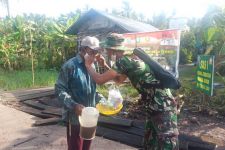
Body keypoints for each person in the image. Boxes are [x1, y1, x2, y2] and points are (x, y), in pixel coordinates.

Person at [84, 33, 179, 150]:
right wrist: (104, 65)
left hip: (162, 106)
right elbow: (119, 79)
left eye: (106, 49)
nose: (105, 52)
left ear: (111, 50)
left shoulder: (123, 62)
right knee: (152, 140)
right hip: (155, 105)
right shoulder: (129, 59)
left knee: (167, 142)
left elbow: (99, 80)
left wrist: (88, 65)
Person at [55, 36, 101, 150]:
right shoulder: (70, 66)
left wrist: (102, 100)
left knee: (87, 145)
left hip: (90, 115)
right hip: (75, 117)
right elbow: (59, 89)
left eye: (97, 51)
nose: (95, 54)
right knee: (76, 146)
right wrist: (74, 105)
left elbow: (93, 89)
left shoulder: (91, 65)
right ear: (84, 49)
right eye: (93, 51)